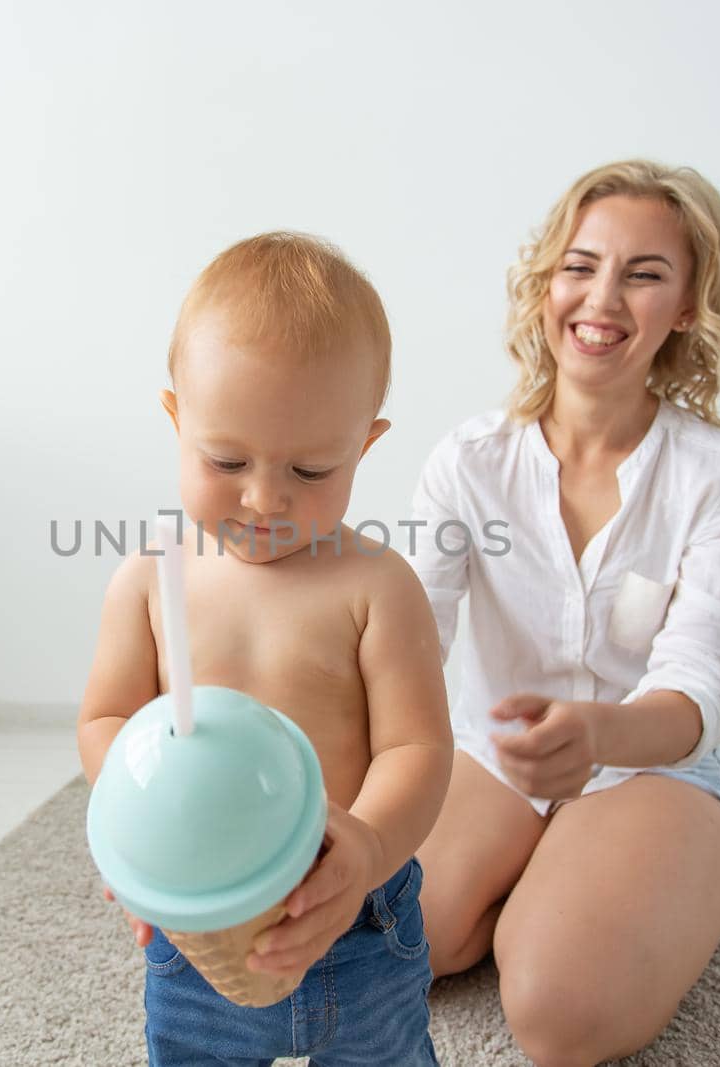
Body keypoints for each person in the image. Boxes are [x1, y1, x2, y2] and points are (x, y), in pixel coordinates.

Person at [408, 160, 720, 1067]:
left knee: (556, 1015)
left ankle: (610, 890)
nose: (601, 297)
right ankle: (544, 882)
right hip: (489, 757)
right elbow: (410, 636)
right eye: (580, 265)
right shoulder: (468, 462)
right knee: (403, 942)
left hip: (654, 769)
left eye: (644, 273)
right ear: (548, 283)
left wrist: (597, 733)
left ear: (688, 307)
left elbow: (700, 689)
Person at [77, 232, 454, 1065]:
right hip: (197, 916)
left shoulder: (376, 586)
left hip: (355, 915)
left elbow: (418, 747)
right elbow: (107, 716)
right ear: (178, 418)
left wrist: (369, 846)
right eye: (226, 458)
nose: (264, 497)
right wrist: (133, 826)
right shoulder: (152, 579)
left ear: (366, 443)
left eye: (314, 469)